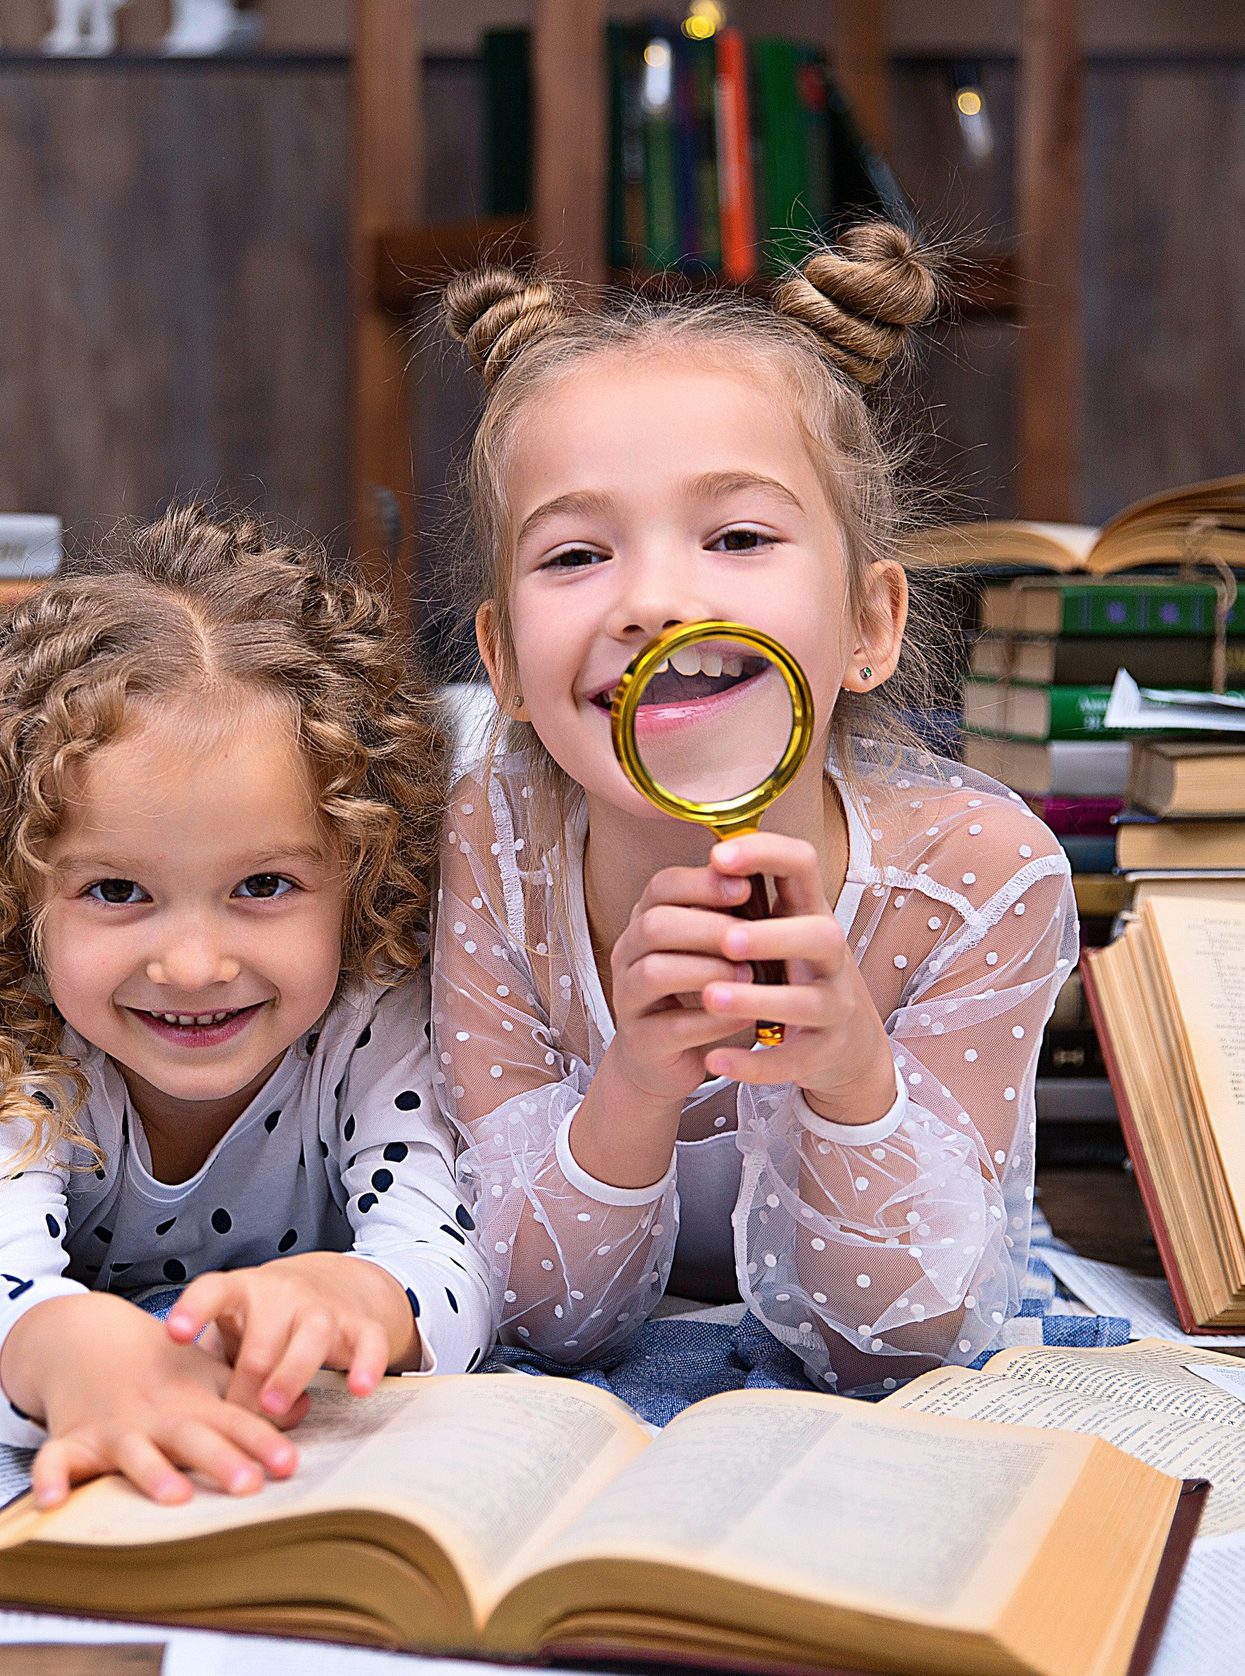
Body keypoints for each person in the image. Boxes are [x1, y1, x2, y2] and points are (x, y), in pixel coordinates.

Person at [434, 223, 1074, 1396]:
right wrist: (634, 1080)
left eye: (736, 536)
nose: (655, 598)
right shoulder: (490, 841)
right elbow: (539, 1319)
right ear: (507, 668)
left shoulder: (980, 875)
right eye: (575, 554)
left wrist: (848, 1075)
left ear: (869, 625)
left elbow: (893, 1343)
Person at [0, 507, 493, 1509]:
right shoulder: (15, 1033)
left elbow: (450, 1260)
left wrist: (358, 1298)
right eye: (117, 891)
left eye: (262, 885)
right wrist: (64, 1351)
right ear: (18, 890)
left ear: (359, 870)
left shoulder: (370, 1012)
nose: (193, 963)